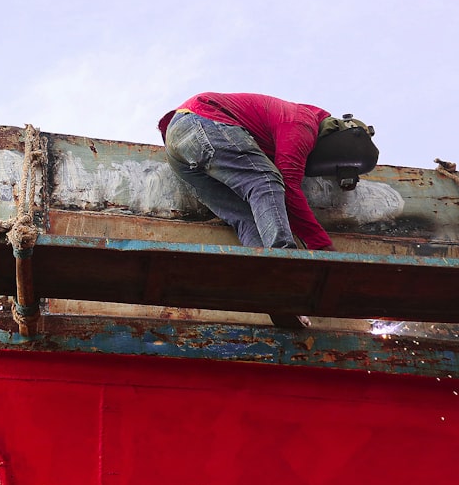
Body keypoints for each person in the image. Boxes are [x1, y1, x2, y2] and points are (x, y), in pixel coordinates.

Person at [157, 92, 378, 328]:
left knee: (247, 217)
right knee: (266, 181)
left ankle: (272, 290)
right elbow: (289, 185)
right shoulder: (301, 122)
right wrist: (321, 244)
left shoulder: (284, 128)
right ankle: (284, 270)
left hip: (178, 145)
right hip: (202, 121)